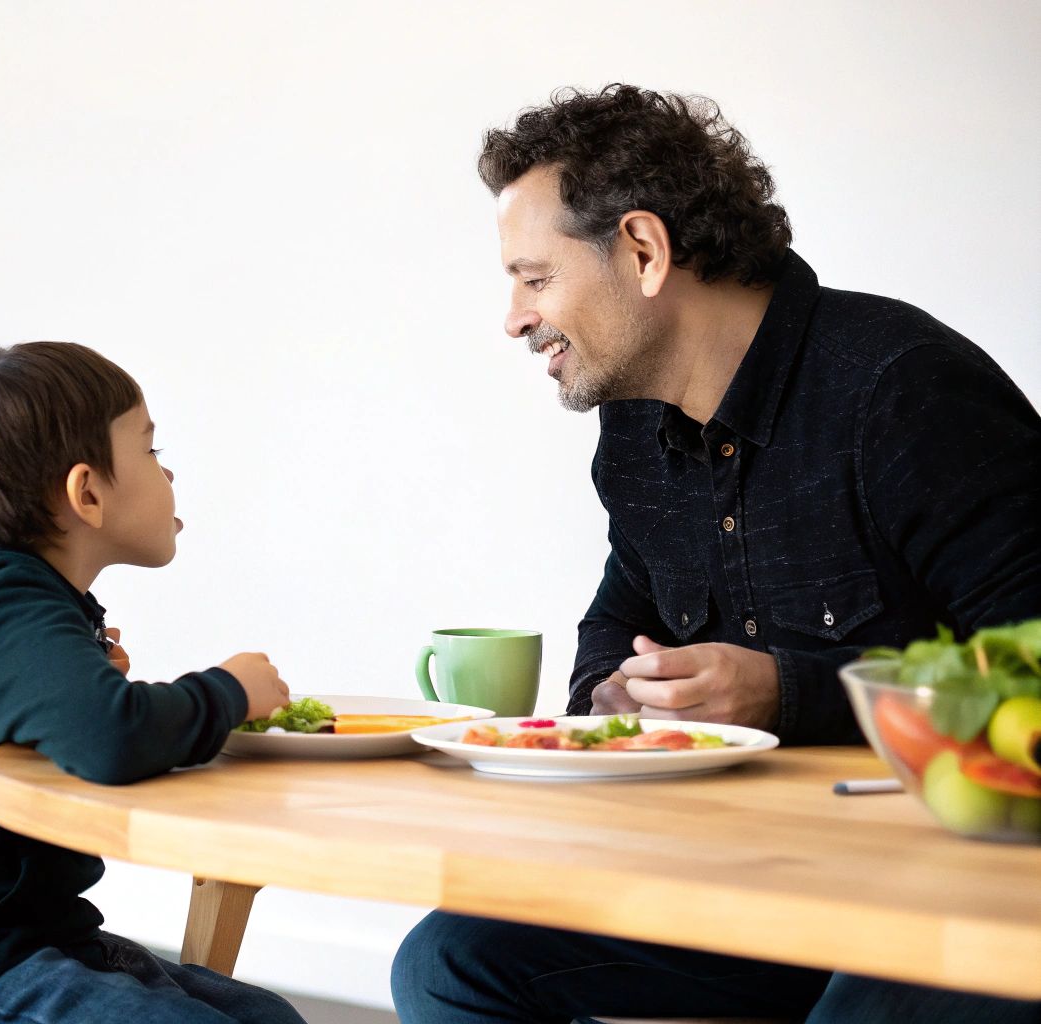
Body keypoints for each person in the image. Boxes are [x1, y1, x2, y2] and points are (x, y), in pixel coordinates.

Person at [392, 85, 1041, 1023]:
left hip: (949, 891)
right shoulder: (633, 430)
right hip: (743, 885)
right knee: (448, 962)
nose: (515, 318)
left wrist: (792, 690)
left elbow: (1027, 668)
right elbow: (618, 617)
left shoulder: (902, 389)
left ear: (644, 252)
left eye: (535, 278)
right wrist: (611, 697)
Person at [0, 341, 306, 1024]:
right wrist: (229, 689)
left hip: (7, 945)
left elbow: (78, 720)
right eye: (151, 451)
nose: (170, 469)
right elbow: (112, 737)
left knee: (266, 1017)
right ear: (87, 492)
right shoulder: (0, 603)